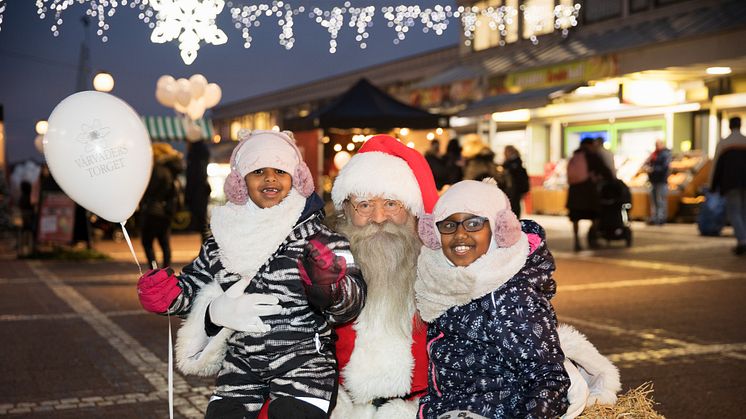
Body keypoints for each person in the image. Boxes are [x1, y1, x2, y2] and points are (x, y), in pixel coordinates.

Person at [136, 130, 366, 419]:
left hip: (305, 363)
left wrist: (332, 288)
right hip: (241, 363)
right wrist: (168, 295)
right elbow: (193, 286)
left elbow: (353, 300)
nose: (270, 178)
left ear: (296, 178)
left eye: (280, 171)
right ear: (241, 181)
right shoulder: (222, 237)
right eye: (258, 171)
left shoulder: (319, 237)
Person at [416, 179, 621, 419]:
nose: (460, 235)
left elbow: (547, 379)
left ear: (499, 229)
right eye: (449, 225)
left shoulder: (509, 297)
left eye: (473, 223)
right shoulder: (446, 283)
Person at [328, 134, 440, 418]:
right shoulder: (324, 263)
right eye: (364, 205)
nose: (378, 218)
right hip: (341, 403)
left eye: (391, 204)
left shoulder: (440, 268)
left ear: (413, 210)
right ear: (347, 211)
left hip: (420, 405)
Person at [139, 143, 184, 269]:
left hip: (153, 210)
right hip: (167, 211)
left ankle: (154, 269)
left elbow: (149, 190)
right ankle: (166, 269)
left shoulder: (157, 169)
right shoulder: (171, 169)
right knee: (164, 242)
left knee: (147, 242)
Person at [566, 138, 614, 251]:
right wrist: (611, 180)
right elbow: (604, 170)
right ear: (590, 145)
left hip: (574, 190)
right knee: (595, 214)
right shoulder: (592, 156)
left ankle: (577, 241)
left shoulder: (574, 156)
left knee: (575, 217)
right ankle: (593, 236)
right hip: (588, 189)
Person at [710, 117, 746, 255]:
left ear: (729, 126)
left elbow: (716, 166)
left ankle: (742, 241)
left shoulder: (724, 143)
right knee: (744, 211)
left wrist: (712, 185)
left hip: (731, 184)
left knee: (735, 211)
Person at [185, 139, 212, 241]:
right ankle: (206, 248)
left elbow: (194, 176)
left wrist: (188, 195)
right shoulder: (202, 152)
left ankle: (206, 249)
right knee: (202, 223)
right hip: (200, 192)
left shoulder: (194, 155)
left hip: (197, 193)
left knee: (201, 222)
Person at [644, 140, 672, 225]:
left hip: (661, 180)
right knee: (654, 201)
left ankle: (661, 218)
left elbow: (664, 168)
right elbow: (647, 163)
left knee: (660, 200)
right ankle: (655, 217)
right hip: (653, 180)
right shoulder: (654, 154)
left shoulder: (665, 154)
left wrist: (653, 170)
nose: (656, 146)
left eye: (658, 144)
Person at [502, 145, 530, 218]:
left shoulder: (513, 163)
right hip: (515, 188)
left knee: (514, 205)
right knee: (514, 205)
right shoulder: (515, 162)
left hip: (514, 188)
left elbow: (517, 176)